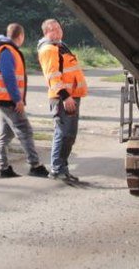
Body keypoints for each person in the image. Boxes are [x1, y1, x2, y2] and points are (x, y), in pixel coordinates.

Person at [0, 23, 49, 179]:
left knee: (5, 136)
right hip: (8, 100)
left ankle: (4, 169)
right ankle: (35, 166)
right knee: (25, 131)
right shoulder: (7, 51)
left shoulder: (5, 49)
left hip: (3, 99)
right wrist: (17, 99)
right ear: (21, 36)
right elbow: (9, 77)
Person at [37, 18, 88, 182]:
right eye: (53, 29)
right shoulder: (49, 49)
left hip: (71, 96)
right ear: (46, 32)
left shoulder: (60, 46)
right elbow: (52, 76)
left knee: (69, 135)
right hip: (62, 98)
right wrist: (65, 96)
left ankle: (62, 168)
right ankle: (57, 169)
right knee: (63, 133)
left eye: (59, 28)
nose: (58, 31)